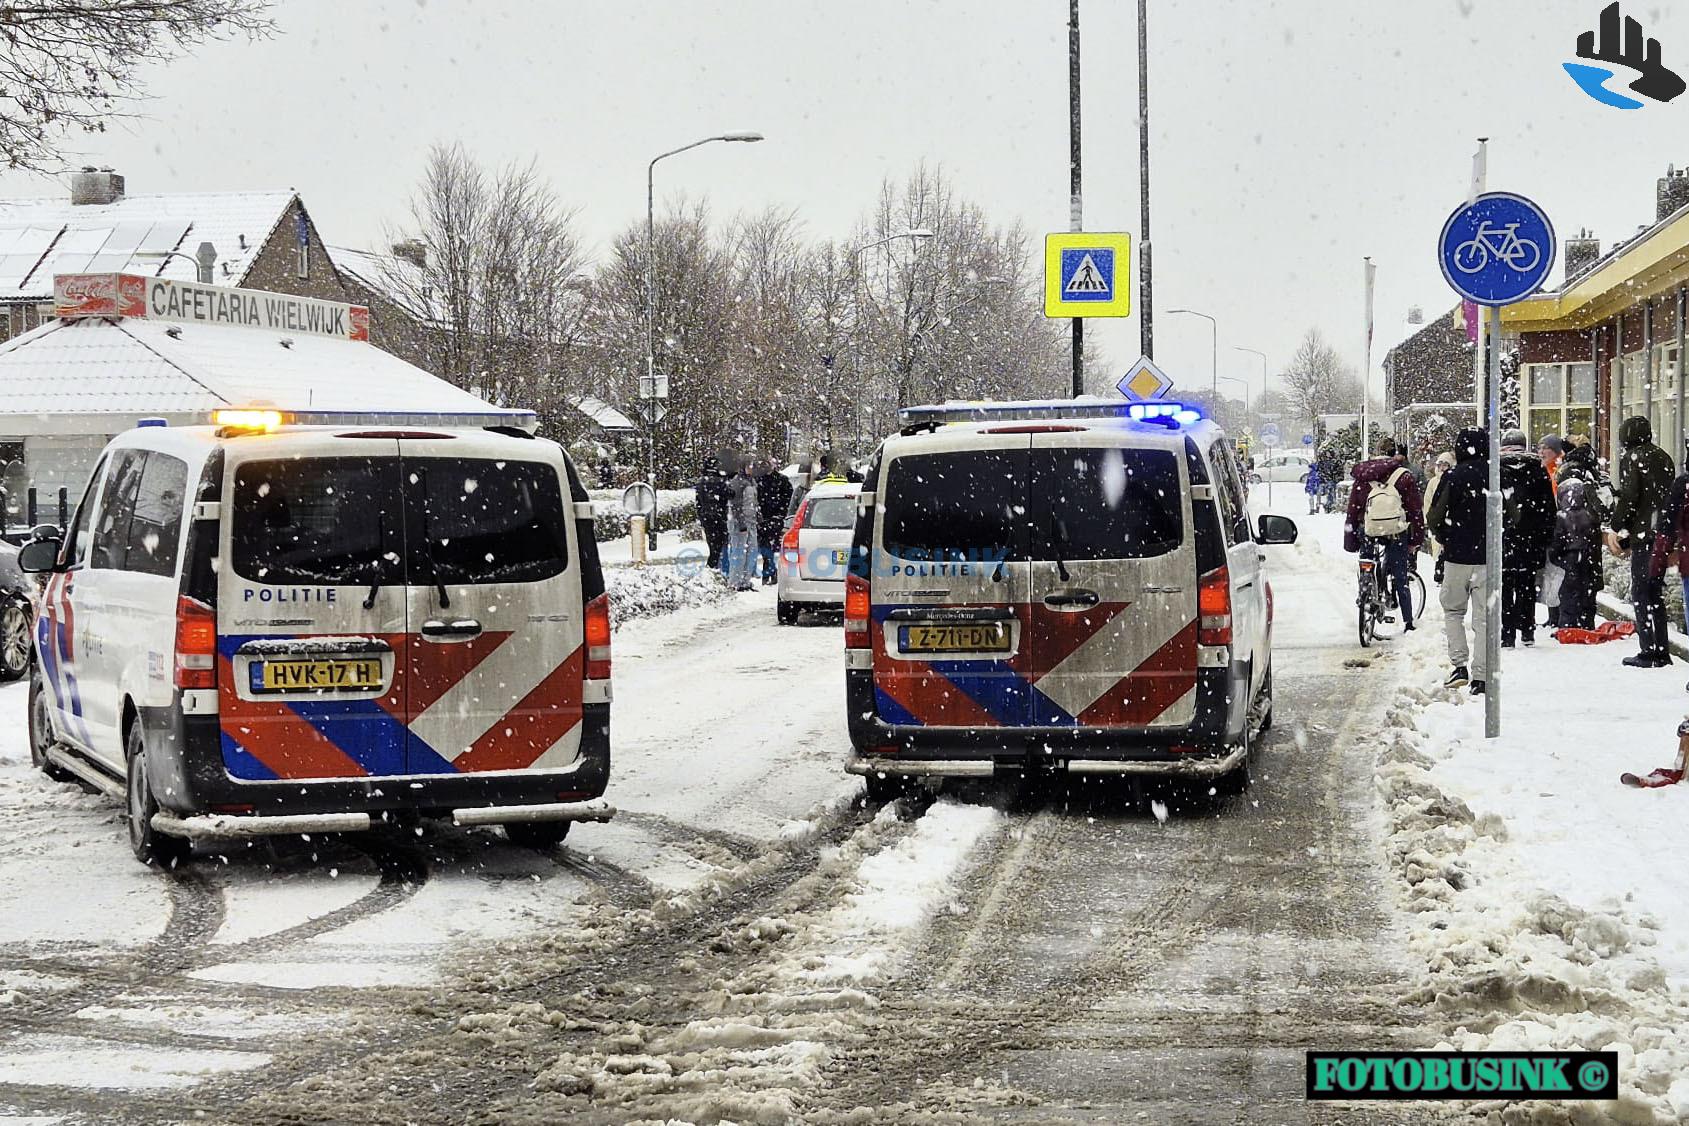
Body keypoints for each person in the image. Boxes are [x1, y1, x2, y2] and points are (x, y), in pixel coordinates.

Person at [1427, 427, 1491, 694]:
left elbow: (1434, 516)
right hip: (1488, 558)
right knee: (1485, 617)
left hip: (1456, 557)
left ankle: (1459, 665)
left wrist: (1446, 537)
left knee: (1453, 611)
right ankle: (1482, 676)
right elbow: (1513, 515)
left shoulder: (1452, 477)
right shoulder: (1495, 475)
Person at [1610, 415, 1675, 667]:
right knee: (1654, 592)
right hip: (1661, 532)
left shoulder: (1633, 458)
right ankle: (1661, 648)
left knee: (1641, 591)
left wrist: (1616, 527)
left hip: (1644, 534)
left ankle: (1649, 650)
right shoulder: (1663, 457)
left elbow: (1630, 496)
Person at [1344, 436, 1425, 631]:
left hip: (1369, 529)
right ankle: (1408, 621)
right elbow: (1415, 510)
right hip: (1396, 531)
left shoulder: (1363, 474)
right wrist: (1416, 539)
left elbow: (1353, 510)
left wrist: (1351, 539)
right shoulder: (1404, 476)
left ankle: (1366, 591)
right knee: (1400, 575)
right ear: (1394, 453)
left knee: (1367, 562)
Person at [1496, 429, 1555, 647]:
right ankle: (1527, 629)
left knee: (1504, 586)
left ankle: (1507, 632)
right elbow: (1548, 506)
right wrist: (1546, 535)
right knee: (1527, 584)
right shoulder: (1537, 469)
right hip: (1531, 538)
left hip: (1504, 537)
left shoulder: (1496, 470)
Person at [1550, 478, 1600, 631]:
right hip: (1588, 558)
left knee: (1568, 595)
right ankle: (1587, 624)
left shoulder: (1562, 516)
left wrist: (1555, 557)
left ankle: (1568, 626)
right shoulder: (1591, 515)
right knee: (1587, 594)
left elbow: (1557, 540)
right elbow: (1596, 539)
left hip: (1568, 559)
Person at [755, 458, 794, 585]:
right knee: (765, 547)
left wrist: (781, 513)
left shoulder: (782, 480)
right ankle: (770, 571)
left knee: (770, 546)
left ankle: (769, 572)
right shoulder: (758, 480)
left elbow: (788, 497)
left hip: (775, 518)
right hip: (762, 518)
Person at [725, 458, 759, 592]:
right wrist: (741, 522)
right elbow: (735, 505)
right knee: (739, 552)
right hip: (740, 524)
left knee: (751, 551)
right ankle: (735, 581)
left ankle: (745, 580)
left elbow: (754, 503)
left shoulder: (752, 482)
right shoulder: (737, 483)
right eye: (749, 466)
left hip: (751, 522)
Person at [693, 456, 730, 571]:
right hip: (718, 518)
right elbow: (729, 494)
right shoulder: (720, 482)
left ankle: (713, 567)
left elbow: (698, 503)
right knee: (718, 547)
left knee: (713, 546)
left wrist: (702, 515)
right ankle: (713, 568)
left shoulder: (701, 483)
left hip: (707, 518)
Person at [1422, 450, 1455, 560]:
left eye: (1445, 465)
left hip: (1451, 526)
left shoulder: (1455, 479)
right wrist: (1429, 522)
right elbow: (1428, 502)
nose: (1442, 467)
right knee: (1438, 556)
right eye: (1439, 464)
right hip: (1437, 527)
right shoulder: (1433, 482)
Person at [1315, 445, 1342, 512]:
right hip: (1324, 480)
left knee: (1330, 493)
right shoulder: (1322, 462)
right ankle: (1324, 505)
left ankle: (1330, 505)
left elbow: (1337, 471)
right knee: (1323, 493)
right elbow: (1319, 470)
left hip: (1330, 480)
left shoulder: (1334, 462)